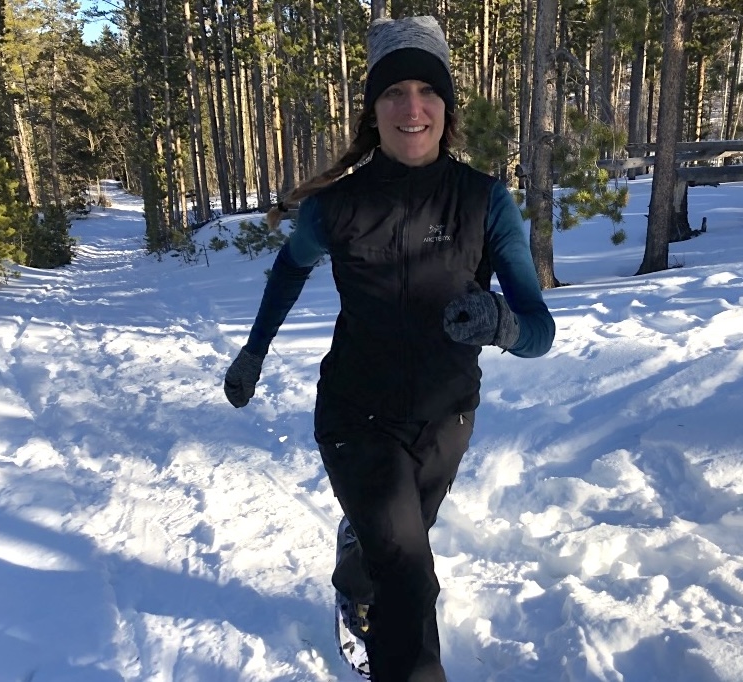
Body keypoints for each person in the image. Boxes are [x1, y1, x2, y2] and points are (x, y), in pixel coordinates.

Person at [222, 15, 555, 682]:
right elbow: (290, 269)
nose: (412, 108)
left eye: (427, 92)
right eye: (393, 93)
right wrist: (254, 351)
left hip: (446, 417)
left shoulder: (484, 202)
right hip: (355, 415)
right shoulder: (336, 208)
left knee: (398, 545)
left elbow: (538, 331)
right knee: (410, 575)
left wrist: (501, 324)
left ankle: (355, 567)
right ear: (373, 113)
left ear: (446, 107)